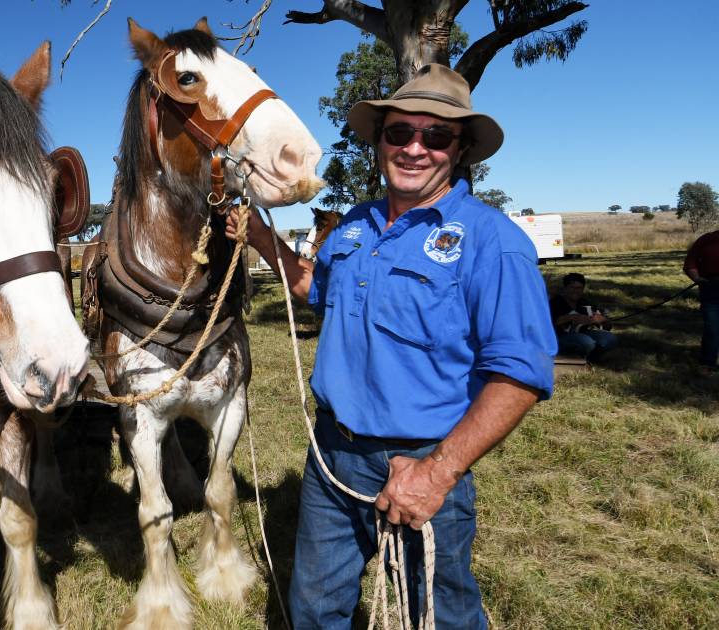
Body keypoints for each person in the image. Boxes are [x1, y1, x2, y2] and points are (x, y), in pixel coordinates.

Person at [229, 64, 556, 628]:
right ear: (379, 141)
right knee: (313, 609)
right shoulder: (355, 225)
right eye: (399, 132)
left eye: (435, 136)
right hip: (331, 454)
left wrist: (436, 474)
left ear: (462, 150)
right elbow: (317, 290)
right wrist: (263, 238)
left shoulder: (492, 241)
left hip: (422, 458)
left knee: (435, 614)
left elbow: (520, 375)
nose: (414, 148)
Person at [549, 272, 618, 360]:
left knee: (610, 338)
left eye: (579, 288)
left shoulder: (585, 303)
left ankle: (591, 358)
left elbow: (607, 327)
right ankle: (573, 356)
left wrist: (603, 320)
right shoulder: (555, 302)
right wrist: (571, 317)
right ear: (565, 288)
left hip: (583, 334)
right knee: (587, 342)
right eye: (572, 287)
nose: (576, 291)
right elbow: (548, 323)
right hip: (559, 337)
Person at [684, 228, 719, 372]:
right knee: (712, 327)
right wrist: (697, 279)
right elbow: (690, 264)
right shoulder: (706, 240)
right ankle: (708, 363)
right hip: (711, 288)